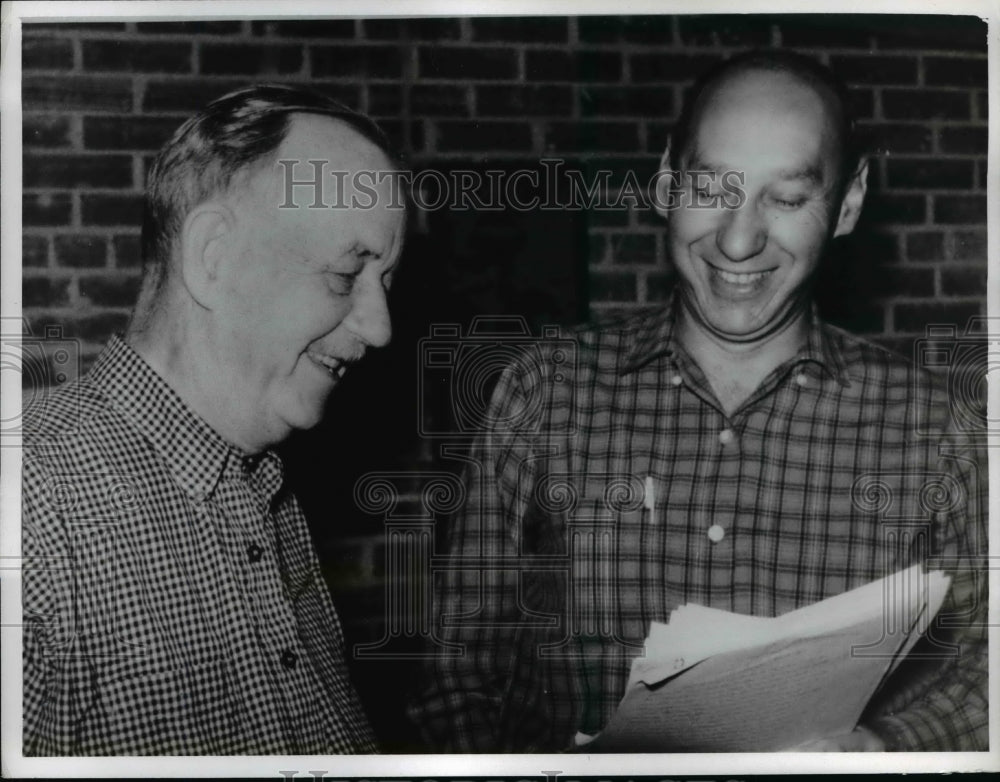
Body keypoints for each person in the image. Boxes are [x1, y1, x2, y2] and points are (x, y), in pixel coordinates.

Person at [410, 49, 987, 752]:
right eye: (712, 188)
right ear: (664, 181)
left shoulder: (936, 429)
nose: (738, 241)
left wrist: (885, 748)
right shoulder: (542, 389)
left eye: (787, 197)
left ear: (849, 203)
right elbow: (457, 672)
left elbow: (985, 673)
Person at [22, 84, 406, 755]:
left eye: (388, 283)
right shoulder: (31, 503)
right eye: (347, 274)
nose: (380, 329)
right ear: (213, 256)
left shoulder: (266, 495)